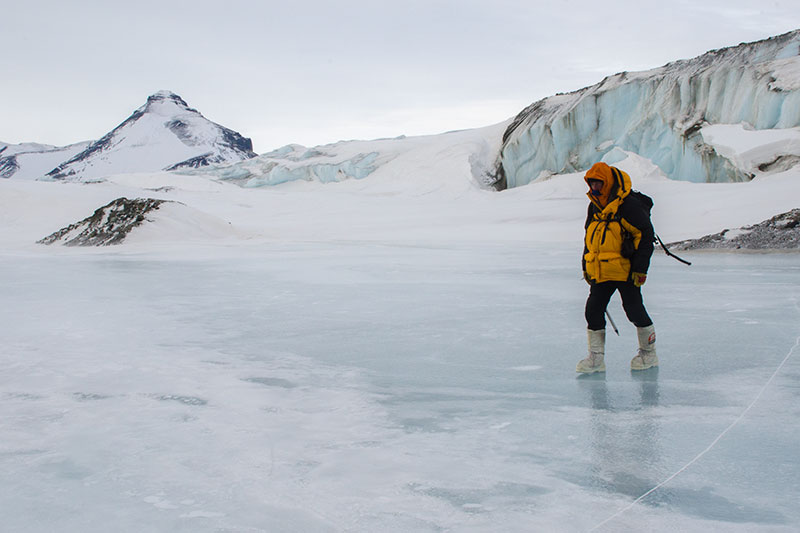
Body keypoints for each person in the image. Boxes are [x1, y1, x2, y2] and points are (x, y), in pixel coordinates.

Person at [576, 162, 657, 373]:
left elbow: (645, 235)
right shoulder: (594, 206)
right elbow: (589, 239)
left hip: (626, 271)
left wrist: (640, 269)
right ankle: (596, 359)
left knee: (634, 310)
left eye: (598, 183)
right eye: (591, 183)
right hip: (601, 271)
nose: (594, 187)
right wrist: (586, 265)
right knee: (592, 310)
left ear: (608, 183)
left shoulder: (628, 205)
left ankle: (649, 354)